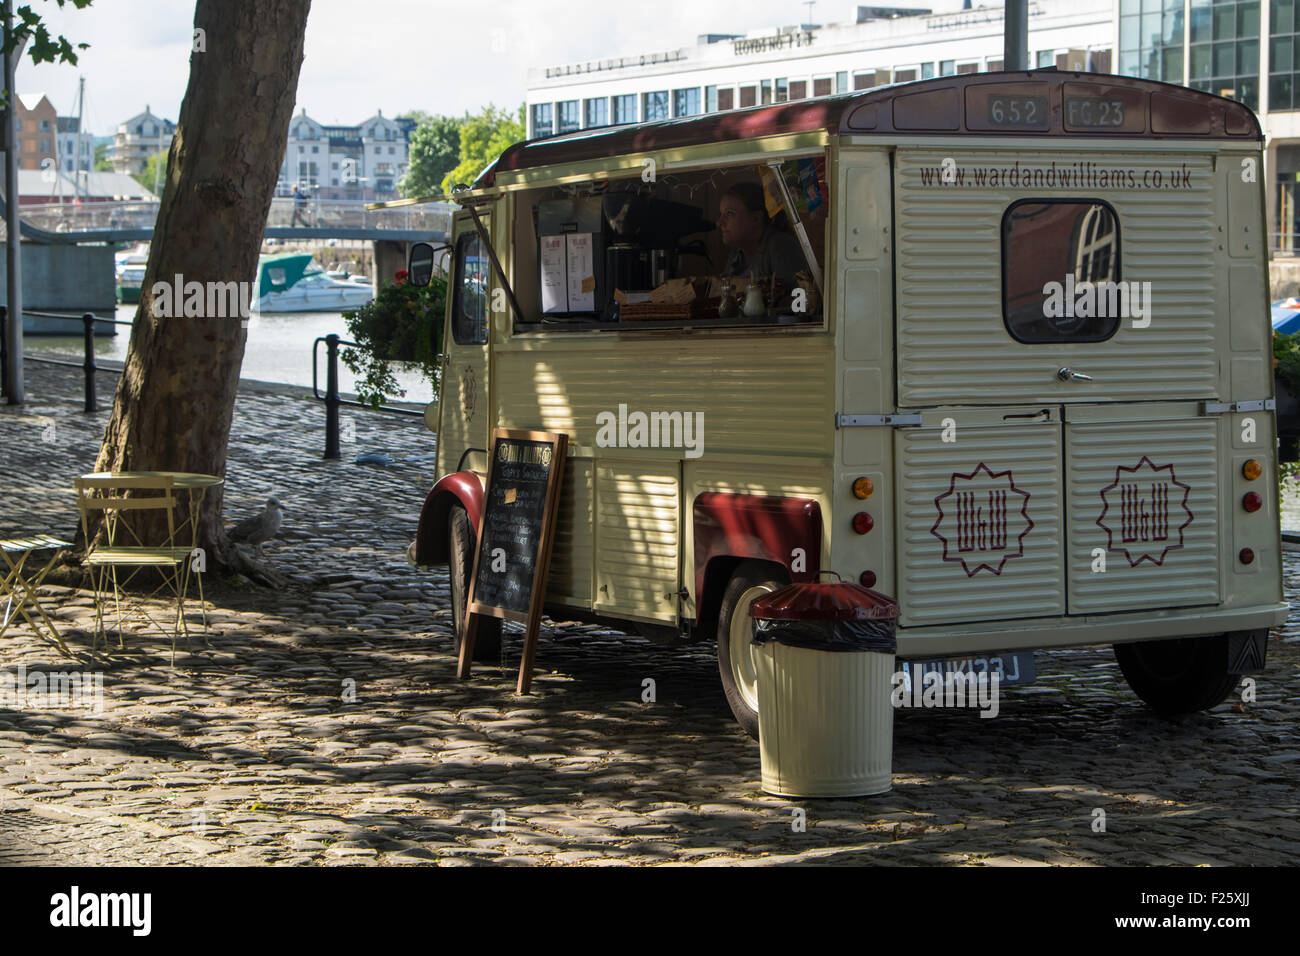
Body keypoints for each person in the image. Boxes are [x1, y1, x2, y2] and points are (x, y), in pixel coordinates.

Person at [716, 181, 807, 289]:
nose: (719, 223)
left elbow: (796, 300)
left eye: (729, 214)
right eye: (721, 214)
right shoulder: (737, 252)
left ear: (756, 218)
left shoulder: (781, 246)